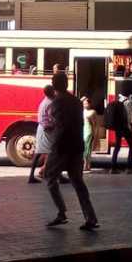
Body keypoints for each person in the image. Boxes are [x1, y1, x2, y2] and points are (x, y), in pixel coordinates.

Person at [44, 72, 98, 230]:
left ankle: (61, 212)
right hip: (77, 147)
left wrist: (54, 149)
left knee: (49, 177)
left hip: (62, 147)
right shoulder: (76, 101)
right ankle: (91, 217)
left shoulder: (56, 103)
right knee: (78, 182)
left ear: (54, 85)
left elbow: (61, 128)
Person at [28, 85, 55, 184]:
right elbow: (52, 118)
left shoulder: (45, 101)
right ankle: (52, 175)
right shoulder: (51, 103)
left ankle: (32, 175)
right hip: (48, 130)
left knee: (39, 152)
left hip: (42, 128)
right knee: (54, 152)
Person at [110, 93, 132, 174]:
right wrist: (131, 127)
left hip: (118, 127)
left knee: (117, 146)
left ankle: (113, 168)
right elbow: (129, 117)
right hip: (125, 127)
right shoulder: (128, 102)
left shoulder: (118, 101)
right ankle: (129, 168)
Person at [81, 96, 96, 173]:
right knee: (84, 148)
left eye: (86, 103)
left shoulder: (92, 112)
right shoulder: (81, 111)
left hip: (89, 131)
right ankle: (87, 165)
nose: (85, 105)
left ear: (90, 104)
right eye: (84, 104)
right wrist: (83, 98)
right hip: (82, 131)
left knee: (87, 149)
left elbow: (94, 124)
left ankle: (86, 165)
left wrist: (94, 134)